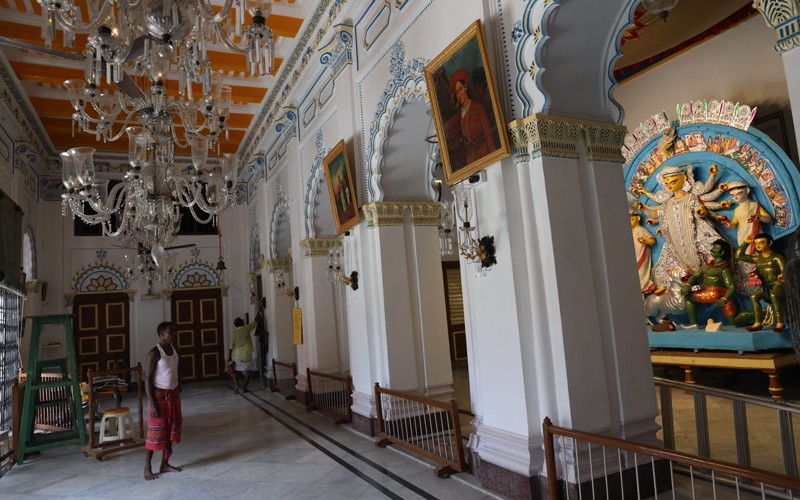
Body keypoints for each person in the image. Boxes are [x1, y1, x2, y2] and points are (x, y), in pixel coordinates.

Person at [637, 164, 727, 288]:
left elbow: (701, 210)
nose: (670, 186)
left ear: (683, 178)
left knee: (711, 258)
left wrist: (701, 212)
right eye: (667, 184)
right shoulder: (666, 204)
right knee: (679, 268)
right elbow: (656, 214)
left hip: (695, 237)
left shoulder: (691, 197)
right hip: (676, 241)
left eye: (673, 182)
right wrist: (644, 209)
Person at [144, 322, 182, 481]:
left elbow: (175, 370)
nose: (173, 334)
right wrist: (152, 403)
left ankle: (165, 464)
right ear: (161, 334)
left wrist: (179, 385)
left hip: (172, 396)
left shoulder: (174, 349)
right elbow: (147, 379)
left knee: (170, 431)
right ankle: (147, 467)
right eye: (169, 332)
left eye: (174, 331)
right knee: (155, 433)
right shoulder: (154, 353)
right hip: (159, 397)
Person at [443, 68, 497, 171]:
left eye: (460, 89)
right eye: (457, 92)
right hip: (471, 159)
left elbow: (487, 133)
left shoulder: (477, 107)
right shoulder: (460, 113)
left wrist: (494, 155)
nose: (459, 95)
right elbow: (445, 128)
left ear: (466, 88)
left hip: (483, 152)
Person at [680, 239, 738, 328]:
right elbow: (695, 276)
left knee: (688, 297)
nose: (713, 249)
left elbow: (732, 287)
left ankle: (693, 323)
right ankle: (760, 314)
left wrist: (725, 299)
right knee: (734, 320)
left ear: (722, 253)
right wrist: (688, 285)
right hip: (718, 295)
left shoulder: (724, 269)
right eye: (713, 247)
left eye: (716, 248)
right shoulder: (707, 266)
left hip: (716, 294)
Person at [736, 233, 786, 332]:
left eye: (761, 243)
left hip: (778, 283)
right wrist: (746, 243)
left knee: (773, 295)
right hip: (766, 285)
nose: (758, 245)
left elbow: (784, 269)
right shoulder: (757, 258)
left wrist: (782, 275)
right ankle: (758, 322)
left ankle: (780, 322)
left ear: (769, 243)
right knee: (754, 296)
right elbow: (738, 255)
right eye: (756, 243)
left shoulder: (777, 257)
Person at [228, 309, 262, 393]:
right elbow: (255, 321)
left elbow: (231, 347)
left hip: (238, 356)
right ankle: (245, 387)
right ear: (241, 323)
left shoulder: (234, 333)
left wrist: (229, 357)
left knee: (234, 371)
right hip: (246, 354)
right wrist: (259, 309)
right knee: (248, 371)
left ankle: (236, 385)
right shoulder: (246, 329)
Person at [630, 210, 663, 295]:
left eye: (632, 219)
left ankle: (646, 286)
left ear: (638, 218)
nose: (630, 222)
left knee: (641, 273)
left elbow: (652, 240)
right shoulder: (631, 232)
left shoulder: (641, 230)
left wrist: (645, 241)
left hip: (641, 253)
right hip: (634, 255)